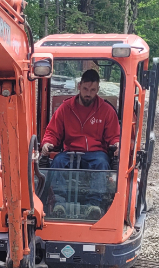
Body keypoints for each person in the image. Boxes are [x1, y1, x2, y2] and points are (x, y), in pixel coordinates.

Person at [41, 68, 120, 219]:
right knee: (57, 161)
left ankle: (94, 205)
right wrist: (47, 143)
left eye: (92, 90)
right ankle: (59, 204)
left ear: (98, 89)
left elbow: (114, 136)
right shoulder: (65, 108)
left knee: (102, 164)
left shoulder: (106, 110)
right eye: (85, 88)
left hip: (96, 154)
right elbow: (52, 132)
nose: (88, 93)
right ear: (79, 86)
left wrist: (117, 144)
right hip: (70, 151)